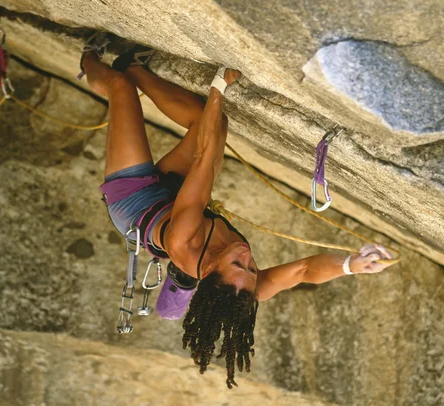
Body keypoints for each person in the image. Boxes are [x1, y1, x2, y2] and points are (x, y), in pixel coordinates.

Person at [79, 40, 395, 389]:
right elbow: (304, 271)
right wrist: (353, 265)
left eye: (238, 265)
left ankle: (90, 58)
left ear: (210, 269)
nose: (247, 258)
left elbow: (204, 157)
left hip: (136, 198)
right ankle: (133, 66)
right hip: (175, 199)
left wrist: (218, 87)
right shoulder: (246, 289)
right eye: (253, 268)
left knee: (121, 90)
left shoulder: (186, 241)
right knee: (211, 122)